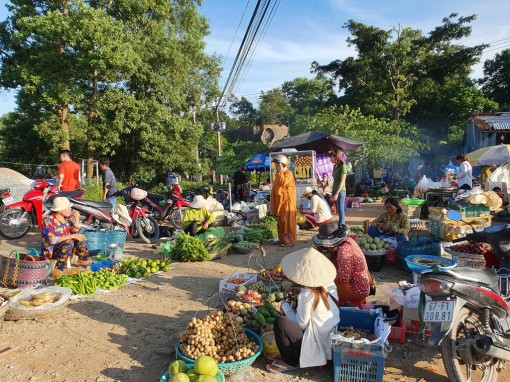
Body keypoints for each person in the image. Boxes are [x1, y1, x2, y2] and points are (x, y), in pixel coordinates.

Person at [266, 247, 340, 373]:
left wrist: (284, 305)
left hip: (316, 347)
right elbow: (319, 296)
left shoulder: (307, 295)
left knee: (281, 322)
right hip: (328, 340)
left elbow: (301, 324)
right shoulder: (329, 284)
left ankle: (289, 361)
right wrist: (300, 291)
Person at [312, 222, 374, 308]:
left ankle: (330, 306)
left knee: (323, 284)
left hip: (358, 290)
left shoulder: (343, 250)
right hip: (363, 285)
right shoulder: (349, 241)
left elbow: (343, 278)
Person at [41, 197, 89, 271]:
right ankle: (59, 268)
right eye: (68, 208)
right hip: (52, 250)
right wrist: (72, 236)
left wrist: (77, 220)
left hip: (68, 248)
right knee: (69, 242)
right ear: (60, 210)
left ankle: (82, 262)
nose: (71, 209)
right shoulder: (48, 220)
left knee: (82, 238)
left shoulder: (68, 218)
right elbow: (52, 240)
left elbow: (74, 232)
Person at [270, 154, 297, 247]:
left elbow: (283, 182)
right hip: (280, 203)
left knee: (287, 222)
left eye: (278, 164)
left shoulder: (288, 173)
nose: (276, 166)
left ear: (282, 164)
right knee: (281, 222)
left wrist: (280, 170)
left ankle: (289, 240)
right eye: (276, 165)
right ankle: (282, 239)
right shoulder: (278, 173)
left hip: (287, 203)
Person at [330, 148, 348, 227]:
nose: (330, 159)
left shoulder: (343, 166)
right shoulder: (335, 166)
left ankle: (342, 227)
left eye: (331, 157)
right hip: (334, 189)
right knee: (337, 210)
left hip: (340, 191)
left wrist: (337, 193)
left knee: (341, 210)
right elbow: (335, 180)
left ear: (336, 157)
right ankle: (341, 224)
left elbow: (342, 181)